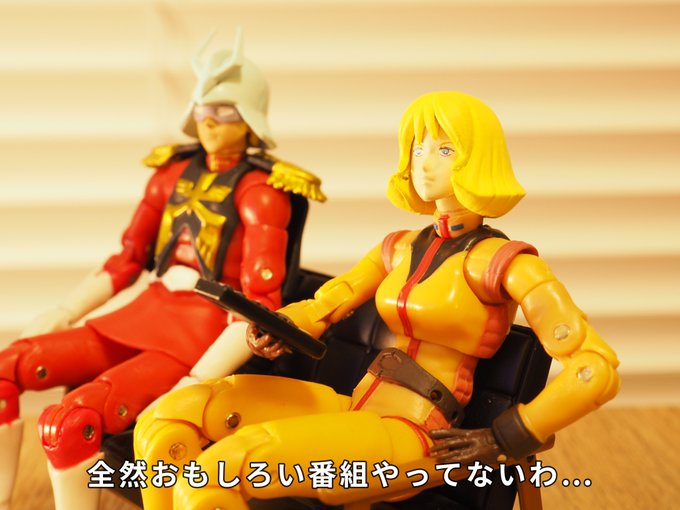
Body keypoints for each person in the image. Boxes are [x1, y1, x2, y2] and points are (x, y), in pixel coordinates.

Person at [134, 91, 620, 509]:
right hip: (354, 409)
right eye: (417, 147)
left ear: (479, 159)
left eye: (444, 149)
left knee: (222, 468)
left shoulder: (507, 264)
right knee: (170, 417)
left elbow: (594, 369)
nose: (423, 162)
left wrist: (506, 435)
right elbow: (325, 304)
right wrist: (278, 326)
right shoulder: (398, 248)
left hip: (414, 436)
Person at [0, 30, 324, 510]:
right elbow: (128, 257)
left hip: (200, 332)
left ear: (250, 119)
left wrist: (197, 379)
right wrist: (67, 309)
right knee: (7, 367)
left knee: (71, 422)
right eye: (205, 107)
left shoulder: (262, 191)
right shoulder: (170, 172)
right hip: (144, 311)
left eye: (225, 110)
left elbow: (258, 305)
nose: (210, 121)